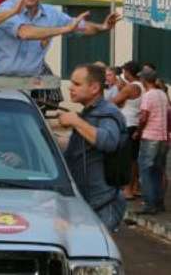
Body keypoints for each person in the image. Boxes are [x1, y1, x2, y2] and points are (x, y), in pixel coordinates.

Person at [0, 0, 120, 76]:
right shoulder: (6, 8)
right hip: (0, 83)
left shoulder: (52, 13)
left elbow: (81, 27)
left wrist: (103, 27)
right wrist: (65, 29)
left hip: (30, 85)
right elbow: (25, 32)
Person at [60, 64, 127, 231]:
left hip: (103, 204)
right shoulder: (89, 113)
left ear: (95, 88)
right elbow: (82, 149)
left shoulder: (108, 112)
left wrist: (76, 121)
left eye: (76, 84)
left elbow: (109, 141)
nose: (70, 87)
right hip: (88, 203)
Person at [135, 66, 169, 214]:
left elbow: (144, 116)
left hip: (150, 137)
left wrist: (138, 131)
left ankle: (149, 205)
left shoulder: (148, 96)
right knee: (157, 171)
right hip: (163, 138)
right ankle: (159, 202)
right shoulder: (162, 94)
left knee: (145, 171)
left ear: (143, 80)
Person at [110, 61, 144, 199]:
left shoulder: (130, 88)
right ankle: (134, 187)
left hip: (128, 123)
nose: (123, 74)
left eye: (124, 72)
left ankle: (128, 189)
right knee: (134, 159)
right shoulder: (141, 85)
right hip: (136, 122)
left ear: (129, 72)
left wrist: (119, 89)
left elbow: (114, 102)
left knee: (127, 158)